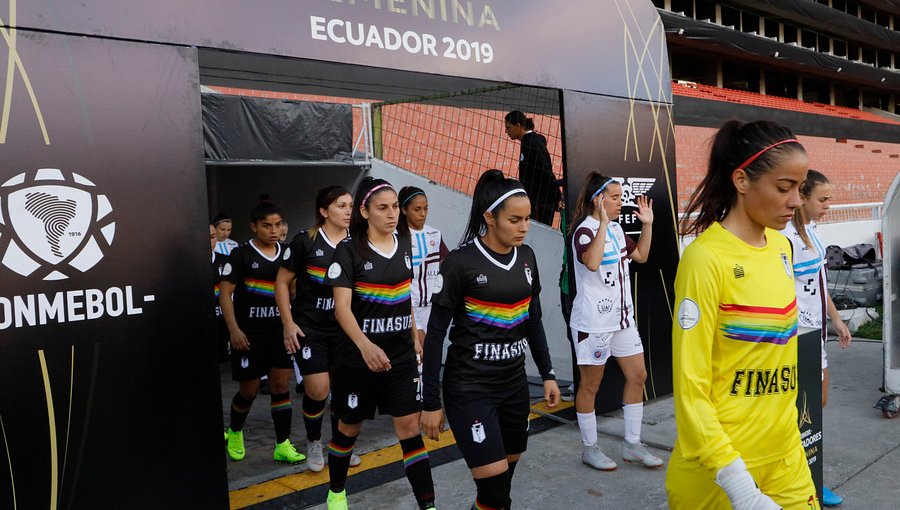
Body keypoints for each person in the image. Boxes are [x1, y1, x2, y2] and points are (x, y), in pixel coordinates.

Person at [666, 120, 820, 509]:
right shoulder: (705, 260)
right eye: (784, 188)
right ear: (741, 180)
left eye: (800, 189)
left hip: (786, 458)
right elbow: (690, 389)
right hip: (721, 473)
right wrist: (742, 490)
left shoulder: (782, 249)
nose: (796, 201)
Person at [421, 169, 561, 510]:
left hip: (514, 387)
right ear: (490, 217)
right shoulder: (459, 263)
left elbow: (534, 319)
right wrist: (430, 402)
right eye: (514, 220)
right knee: (495, 490)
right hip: (470, 389)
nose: (524, 227)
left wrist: (548, 374)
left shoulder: (527, 258)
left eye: (527, 219)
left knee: (500, 490)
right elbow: (435, 334)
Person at [323, 178, 436, 510]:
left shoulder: (405, 242)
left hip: (400, 356)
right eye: (383, 208)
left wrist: (414, 331)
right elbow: (342, 308)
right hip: (358, 359)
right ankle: (336, 492)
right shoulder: (348, 250)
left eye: (395, 207)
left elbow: (405, 295)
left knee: (409, 427)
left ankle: (428, 505)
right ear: (365, 211)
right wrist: (365, 345)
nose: (392, 215)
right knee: (348, 427)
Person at [568, 172, 662, 471]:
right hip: (593, 322)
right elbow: (592, 263)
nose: (621, 203)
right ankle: (590, 448)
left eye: (621, 197)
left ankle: (632, 445)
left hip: (622, 321)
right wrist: (603, 225)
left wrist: (647, 225)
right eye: (615, 197)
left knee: (638, 376)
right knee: (590, 386)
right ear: (598, 200)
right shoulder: (584, 232)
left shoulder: (620, 231)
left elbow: (643, 256)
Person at [276, 186, 361, 472]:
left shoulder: (358, 242)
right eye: (341, 206)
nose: (348, 211)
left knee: (342, 387)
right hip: (311, 326)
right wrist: (288, 323)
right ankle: (314, 441)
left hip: (344, 329)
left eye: (350, 205)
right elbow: (281, 282)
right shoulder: (305, 242)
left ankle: (341, 444)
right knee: (318, 387)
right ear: (324, 211)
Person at [781, 169, 852, 507]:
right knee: (796, 411)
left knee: (816, 406)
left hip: (816, 335)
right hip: (795, 337)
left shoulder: (811, 231)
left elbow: (819, 285)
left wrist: (836, 319)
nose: (827, 205)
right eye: (822, 199)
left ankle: (809, 473)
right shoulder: (784, 239)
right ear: (803, 197)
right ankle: (800, 479)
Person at [221, 197, 305, 466]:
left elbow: (293, 290)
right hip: (249, 334)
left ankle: (282, 444)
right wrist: (234, 330)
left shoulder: (288, 252)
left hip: (279, 334)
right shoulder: (240, 254)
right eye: (267, 225)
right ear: (253, 227)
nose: (273, 230)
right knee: (250, 390)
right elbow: (225, 294)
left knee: (281, 387)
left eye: (278, 224)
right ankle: (234, 432)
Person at [398, 186, 448, 349]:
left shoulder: (434, 234)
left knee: (429, 354)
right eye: (417, 209)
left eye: (426, 208)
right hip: (409, 305)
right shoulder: (397, 237)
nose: (423, 214)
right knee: (418, 350)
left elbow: (447, 266)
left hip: (432, 306)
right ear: (404, 210)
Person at [504, 110, 561, 225]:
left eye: (508, 127)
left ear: (518, 126)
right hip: (537, 200)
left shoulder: (531, 143)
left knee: (539, 233)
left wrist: (557, 197)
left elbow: (545, 171)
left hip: (541, 201)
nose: (506, 131)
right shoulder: (529, 141)